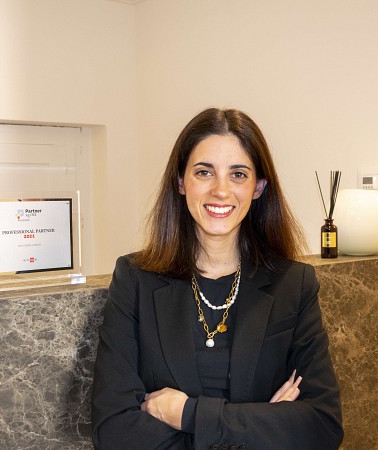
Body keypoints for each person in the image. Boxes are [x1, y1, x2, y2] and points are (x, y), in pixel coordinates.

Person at [91, 108, 343, 449]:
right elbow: (113, 429)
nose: (221, 191)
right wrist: (260, 425)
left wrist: (188, 414)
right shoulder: (135, 280)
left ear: (258, 187)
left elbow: (322, 426)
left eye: (238, 174)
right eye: (204, 172)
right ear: (181, 182)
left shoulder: (293, 284)